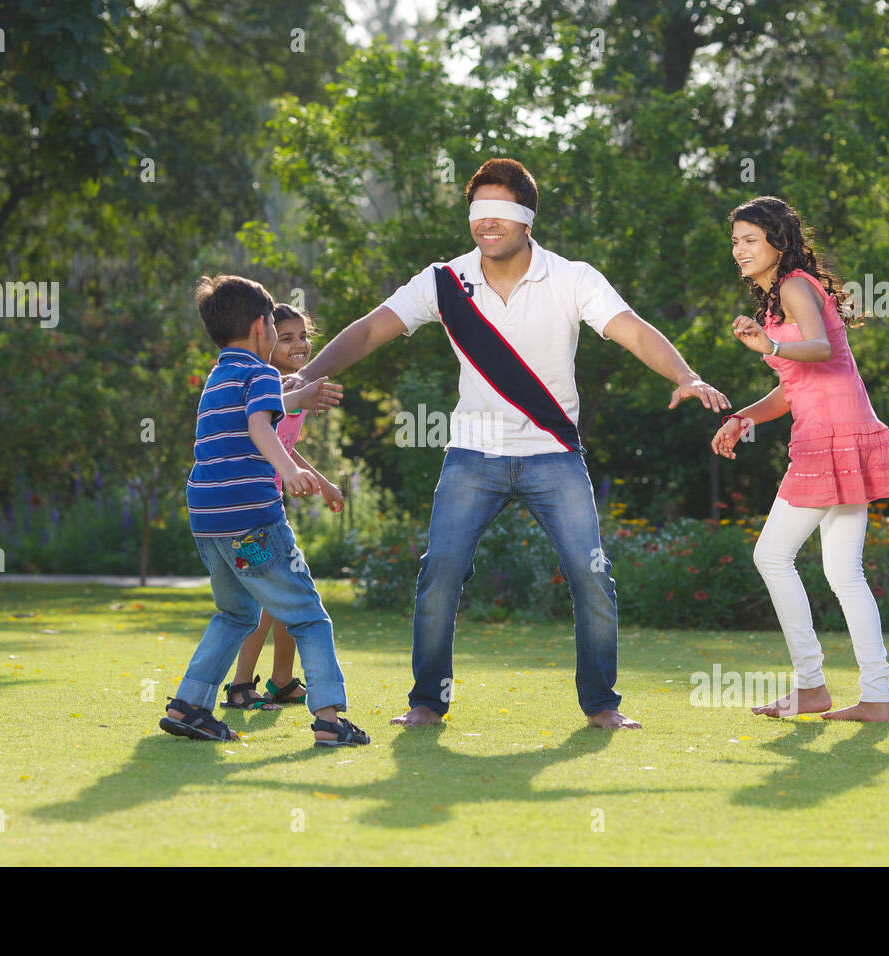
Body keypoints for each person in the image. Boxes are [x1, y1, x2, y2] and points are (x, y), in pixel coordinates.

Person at [293, 158, 730, 731]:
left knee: (591, 575)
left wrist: (685, 376)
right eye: (479, 213)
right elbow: (373, 328)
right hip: (472, 455)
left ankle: (602, 705)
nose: (487, 224)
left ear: (526, 219)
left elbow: (633, 329)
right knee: (440, 572)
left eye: (501, 212)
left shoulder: (573, 278)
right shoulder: (443, 282)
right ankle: (427, 700)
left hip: (554, 455)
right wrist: (308, 375)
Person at [711, 196, 889, 722]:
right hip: (834, 432)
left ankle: (811, 685)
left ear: (778, 242)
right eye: (735, 240)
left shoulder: (794, 285)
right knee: (844, 573)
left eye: (750, 239)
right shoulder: (778, 300)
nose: (739, 249)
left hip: (831, 437)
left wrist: (771, 348)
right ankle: (875, 697)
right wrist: (744, 418)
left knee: (772, 556)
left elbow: (821, 348)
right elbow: (792, 387)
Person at [159, 274, 369, 747]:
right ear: (262, 327)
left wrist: (299, 398)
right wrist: (287, 471)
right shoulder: (261, 374)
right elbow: (260, 422)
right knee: (308, 615)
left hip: (208, 522)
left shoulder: (218, 377)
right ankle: (330, 720)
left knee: (236, 614)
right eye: (276, 325)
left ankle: (188, 705)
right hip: (252, 521)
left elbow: (260, 413)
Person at [221, 303, 345, 711]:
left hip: (273, 508)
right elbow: (268, 417)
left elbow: (288, 447)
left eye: (303, 336)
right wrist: (298, 394)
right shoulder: (263, 383)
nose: (299, 344)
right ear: (267, 337)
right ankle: (241, 686)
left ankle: (282, 680)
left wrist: (322, 481)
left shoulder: (290, 387)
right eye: (286, 336)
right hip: (249, 509)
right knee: (267, 600)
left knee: (288, 591)